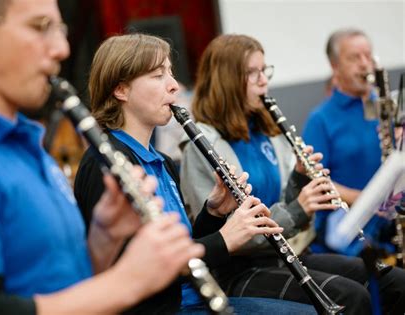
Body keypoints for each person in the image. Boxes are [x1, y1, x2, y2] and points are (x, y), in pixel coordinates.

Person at [0, 1, 206, 314]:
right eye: (40, 27)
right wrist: (127, 282)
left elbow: (56, 282)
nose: (62, 49)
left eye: (59, 30)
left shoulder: (27, 145)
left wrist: (103, 241)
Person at [74, 33, 316, 314]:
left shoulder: (162, 161)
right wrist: (224, 240)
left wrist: (212, 214)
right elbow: (136, 271)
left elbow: (187, 246)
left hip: (195, 300)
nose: (174, 86)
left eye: (171, 73)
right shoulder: (105, 164)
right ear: (121, 90)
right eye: (157, 75)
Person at [179, 33, 405, 314]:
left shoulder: (267, 132)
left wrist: (300, 177)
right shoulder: (204, 147)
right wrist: (299, 209)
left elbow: (287, 203)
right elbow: (233, 237)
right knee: (352, 296)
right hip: (240, 270)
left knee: (394, 281)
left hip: (288, 254)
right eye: (253, 73)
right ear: (226, 79)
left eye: (265, 71)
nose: (264, 80)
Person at [302, 28, 395, 253]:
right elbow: (316, 181)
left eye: (368, 55)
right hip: (348, 235)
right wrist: (368, 201)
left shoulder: (387, 107)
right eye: (355, 57)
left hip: (389, 224)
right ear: (335, 66)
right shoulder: (320, 119)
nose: (365, 64)